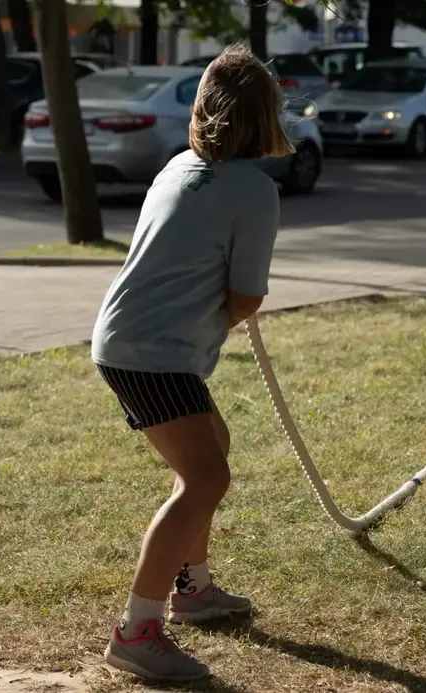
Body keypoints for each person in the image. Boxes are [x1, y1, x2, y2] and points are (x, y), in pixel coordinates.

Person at [89, 43, 293, 683]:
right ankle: (136, 631)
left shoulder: (176, 166)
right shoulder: (255, 189)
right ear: (266, 117)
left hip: (130, 342)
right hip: (151, 354)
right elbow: (245, 296)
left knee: (212, 451)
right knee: (205, 479)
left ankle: (194, 592)